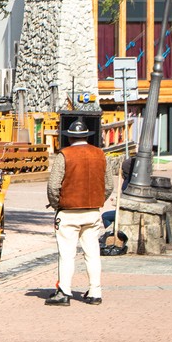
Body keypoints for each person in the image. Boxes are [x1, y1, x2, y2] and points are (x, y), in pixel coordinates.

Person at [45, 118, 116, 306]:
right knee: (92, 253)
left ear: (69, 138)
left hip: (68, 211)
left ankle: (64, 292)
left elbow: (53, 185)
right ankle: (95, 292)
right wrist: (97, 199)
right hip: (92, 211)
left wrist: (56, 204)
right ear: (87, 136)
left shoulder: (64, 155)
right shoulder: (100, 154)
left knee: (67, 253)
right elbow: (109, 185)